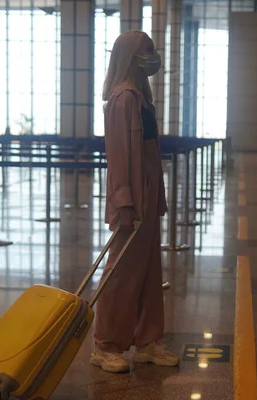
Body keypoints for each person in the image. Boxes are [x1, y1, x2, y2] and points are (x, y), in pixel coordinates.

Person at [91, 31, 179, 373]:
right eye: (147, 50)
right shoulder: (122, 99)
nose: (153, 56)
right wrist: (124, 201)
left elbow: (148, 154)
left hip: (149, 197)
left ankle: (147, 341)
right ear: (130, 56)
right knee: (122, 273)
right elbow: (119, 156)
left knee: (148, 272)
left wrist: (156, 198)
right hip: (133, 201)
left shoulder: (142, 99)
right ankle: (105, 345)